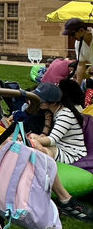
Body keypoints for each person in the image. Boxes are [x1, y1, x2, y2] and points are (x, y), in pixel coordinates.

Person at [27, 82, 93, 220]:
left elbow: (52, 140)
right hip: (62, 147)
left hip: (72, 153)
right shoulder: (56, 112)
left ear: (51, 102)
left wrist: (34, 139)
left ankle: (61, 195)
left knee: (41, 149)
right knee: (38, 147)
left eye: (40, 99)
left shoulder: (65, 115)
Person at [62, 18, 93, 85]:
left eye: (72, 34)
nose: (71, 37)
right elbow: (81, 64)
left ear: (81, 30)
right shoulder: (78, 44)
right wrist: (77, 86)